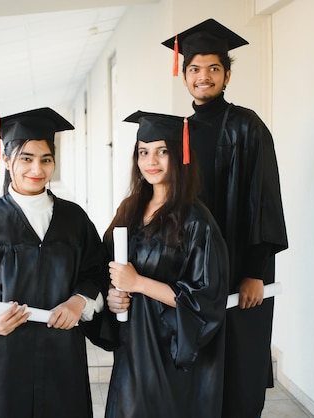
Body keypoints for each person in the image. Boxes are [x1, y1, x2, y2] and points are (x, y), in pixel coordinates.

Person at [0, 107, 107, 418]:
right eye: (26, 158)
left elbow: (96, 273)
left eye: (46, 159)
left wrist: (78, 302)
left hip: (60, 355)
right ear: (6, 160)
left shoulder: (74, 219)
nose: (37, 169)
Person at [163, 19, 289, 418]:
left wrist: (256, 270)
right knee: (198, 365)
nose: (204, 77)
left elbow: (265, 200)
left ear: (227, 75)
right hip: (194, 268)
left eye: (213, 69)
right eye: (195, 69)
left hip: (240, 264)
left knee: (239, 368)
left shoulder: (247, 125)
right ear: (184, 76)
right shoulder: (178, 132)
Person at [102, 111, 229, 418]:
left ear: (180, 156)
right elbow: (105, 264)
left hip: (170, 346)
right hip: (132, 340)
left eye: (162, 152)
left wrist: (139, 284)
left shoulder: (197, 220)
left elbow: (205, 299)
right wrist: (113, 293)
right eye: (144, 152)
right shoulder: (130, 208)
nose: (151, 162)